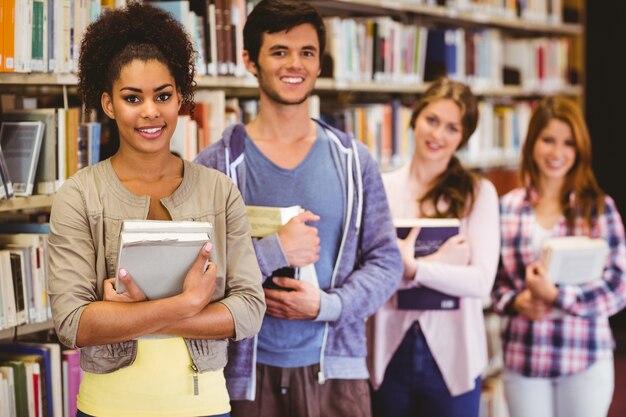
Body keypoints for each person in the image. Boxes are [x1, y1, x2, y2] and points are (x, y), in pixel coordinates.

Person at [47, 4, 265, 417]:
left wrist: (127, 314)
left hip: (205, 407)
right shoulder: (79, 195)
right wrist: (186, 305)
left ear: (180, 98)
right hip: (108, 408)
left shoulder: (219, 192)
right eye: (133, 98)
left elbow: (250, 311)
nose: (151, 111)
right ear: (109, 104)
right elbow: (73, 324)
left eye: (163, 96)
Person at [194, 0, 403, 416]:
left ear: (320, 62)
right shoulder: (215, 165)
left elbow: (386, 260)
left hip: (335, 376)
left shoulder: (353, 160)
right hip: (244, 378)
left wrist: (329, 306)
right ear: (250, 61)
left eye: (307, 52)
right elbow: (197, 274)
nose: (296, 64)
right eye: (280, 51)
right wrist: (275, 252)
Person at [367, 77, 501, 417]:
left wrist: (415, 269)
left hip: (452, 353)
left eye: (452, 128)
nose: (438, 135)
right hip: (388, 349)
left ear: (463, 137)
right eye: (432, 120)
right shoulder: (382, 187)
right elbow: (368, 276)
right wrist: (443, 263)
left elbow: (481, 281)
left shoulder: (478, 193)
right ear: (415, 117)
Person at [491, 96, 626, 417]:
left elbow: (619, 286)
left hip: (584, 357)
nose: (557, 152)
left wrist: (558, 296)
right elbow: (493, 282)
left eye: (568, 143)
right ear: (532, 143)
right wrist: (516, 302)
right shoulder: (506, 208)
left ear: (579, 150)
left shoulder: (598, 208)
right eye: (548, 140)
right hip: (525, 357)